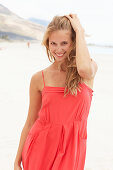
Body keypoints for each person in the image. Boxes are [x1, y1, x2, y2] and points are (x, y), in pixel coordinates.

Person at [14, 14, 98, 170]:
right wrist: (16, 160)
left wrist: (79, 30)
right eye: (53, 43)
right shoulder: (39, 78)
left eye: (64, 43)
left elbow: (84, 69)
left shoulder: (88, 69)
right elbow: (30, 122)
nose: (58, 49)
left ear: (74, 43)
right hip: (40, 149)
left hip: (72, 149)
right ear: (47, 44)